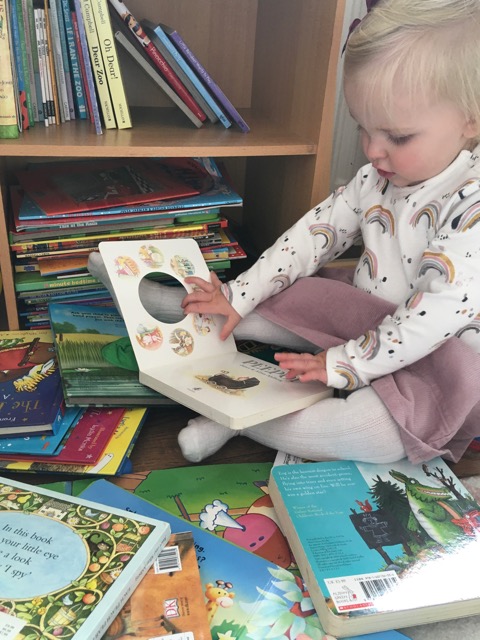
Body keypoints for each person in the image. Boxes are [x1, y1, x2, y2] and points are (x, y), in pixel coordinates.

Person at [89, 0, 480, 466]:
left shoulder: (471, 203)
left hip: (436, 363)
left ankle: (239, 417)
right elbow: (311, 235)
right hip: (366, 319)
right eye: (363, 128)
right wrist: (238, 295)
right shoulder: (374, 178)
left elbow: (432, 317)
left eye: (397, 137)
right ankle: (164, 303)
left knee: (372, 434)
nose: (373, 150)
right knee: (290, 294)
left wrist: (344, 364)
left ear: (470, 119)